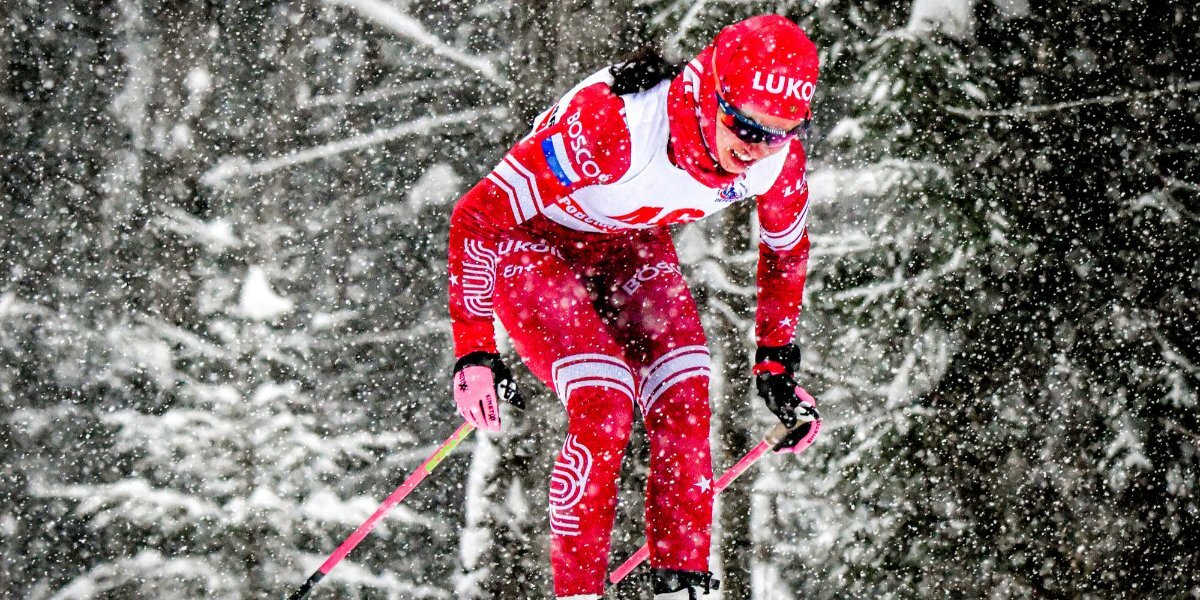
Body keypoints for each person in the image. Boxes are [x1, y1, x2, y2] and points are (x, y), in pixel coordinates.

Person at [447, 14, 821, 600]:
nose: (755, 149)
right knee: (605, 401)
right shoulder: (614, 127)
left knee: (686, 388)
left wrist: (775, 362)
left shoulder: (777, 160)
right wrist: (473, 350)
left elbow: (786, 250)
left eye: (777, 132)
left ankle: (684, 584)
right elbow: (476, 215)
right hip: (534, 239)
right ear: (711, 90)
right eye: (745, 125)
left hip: (626, 242)